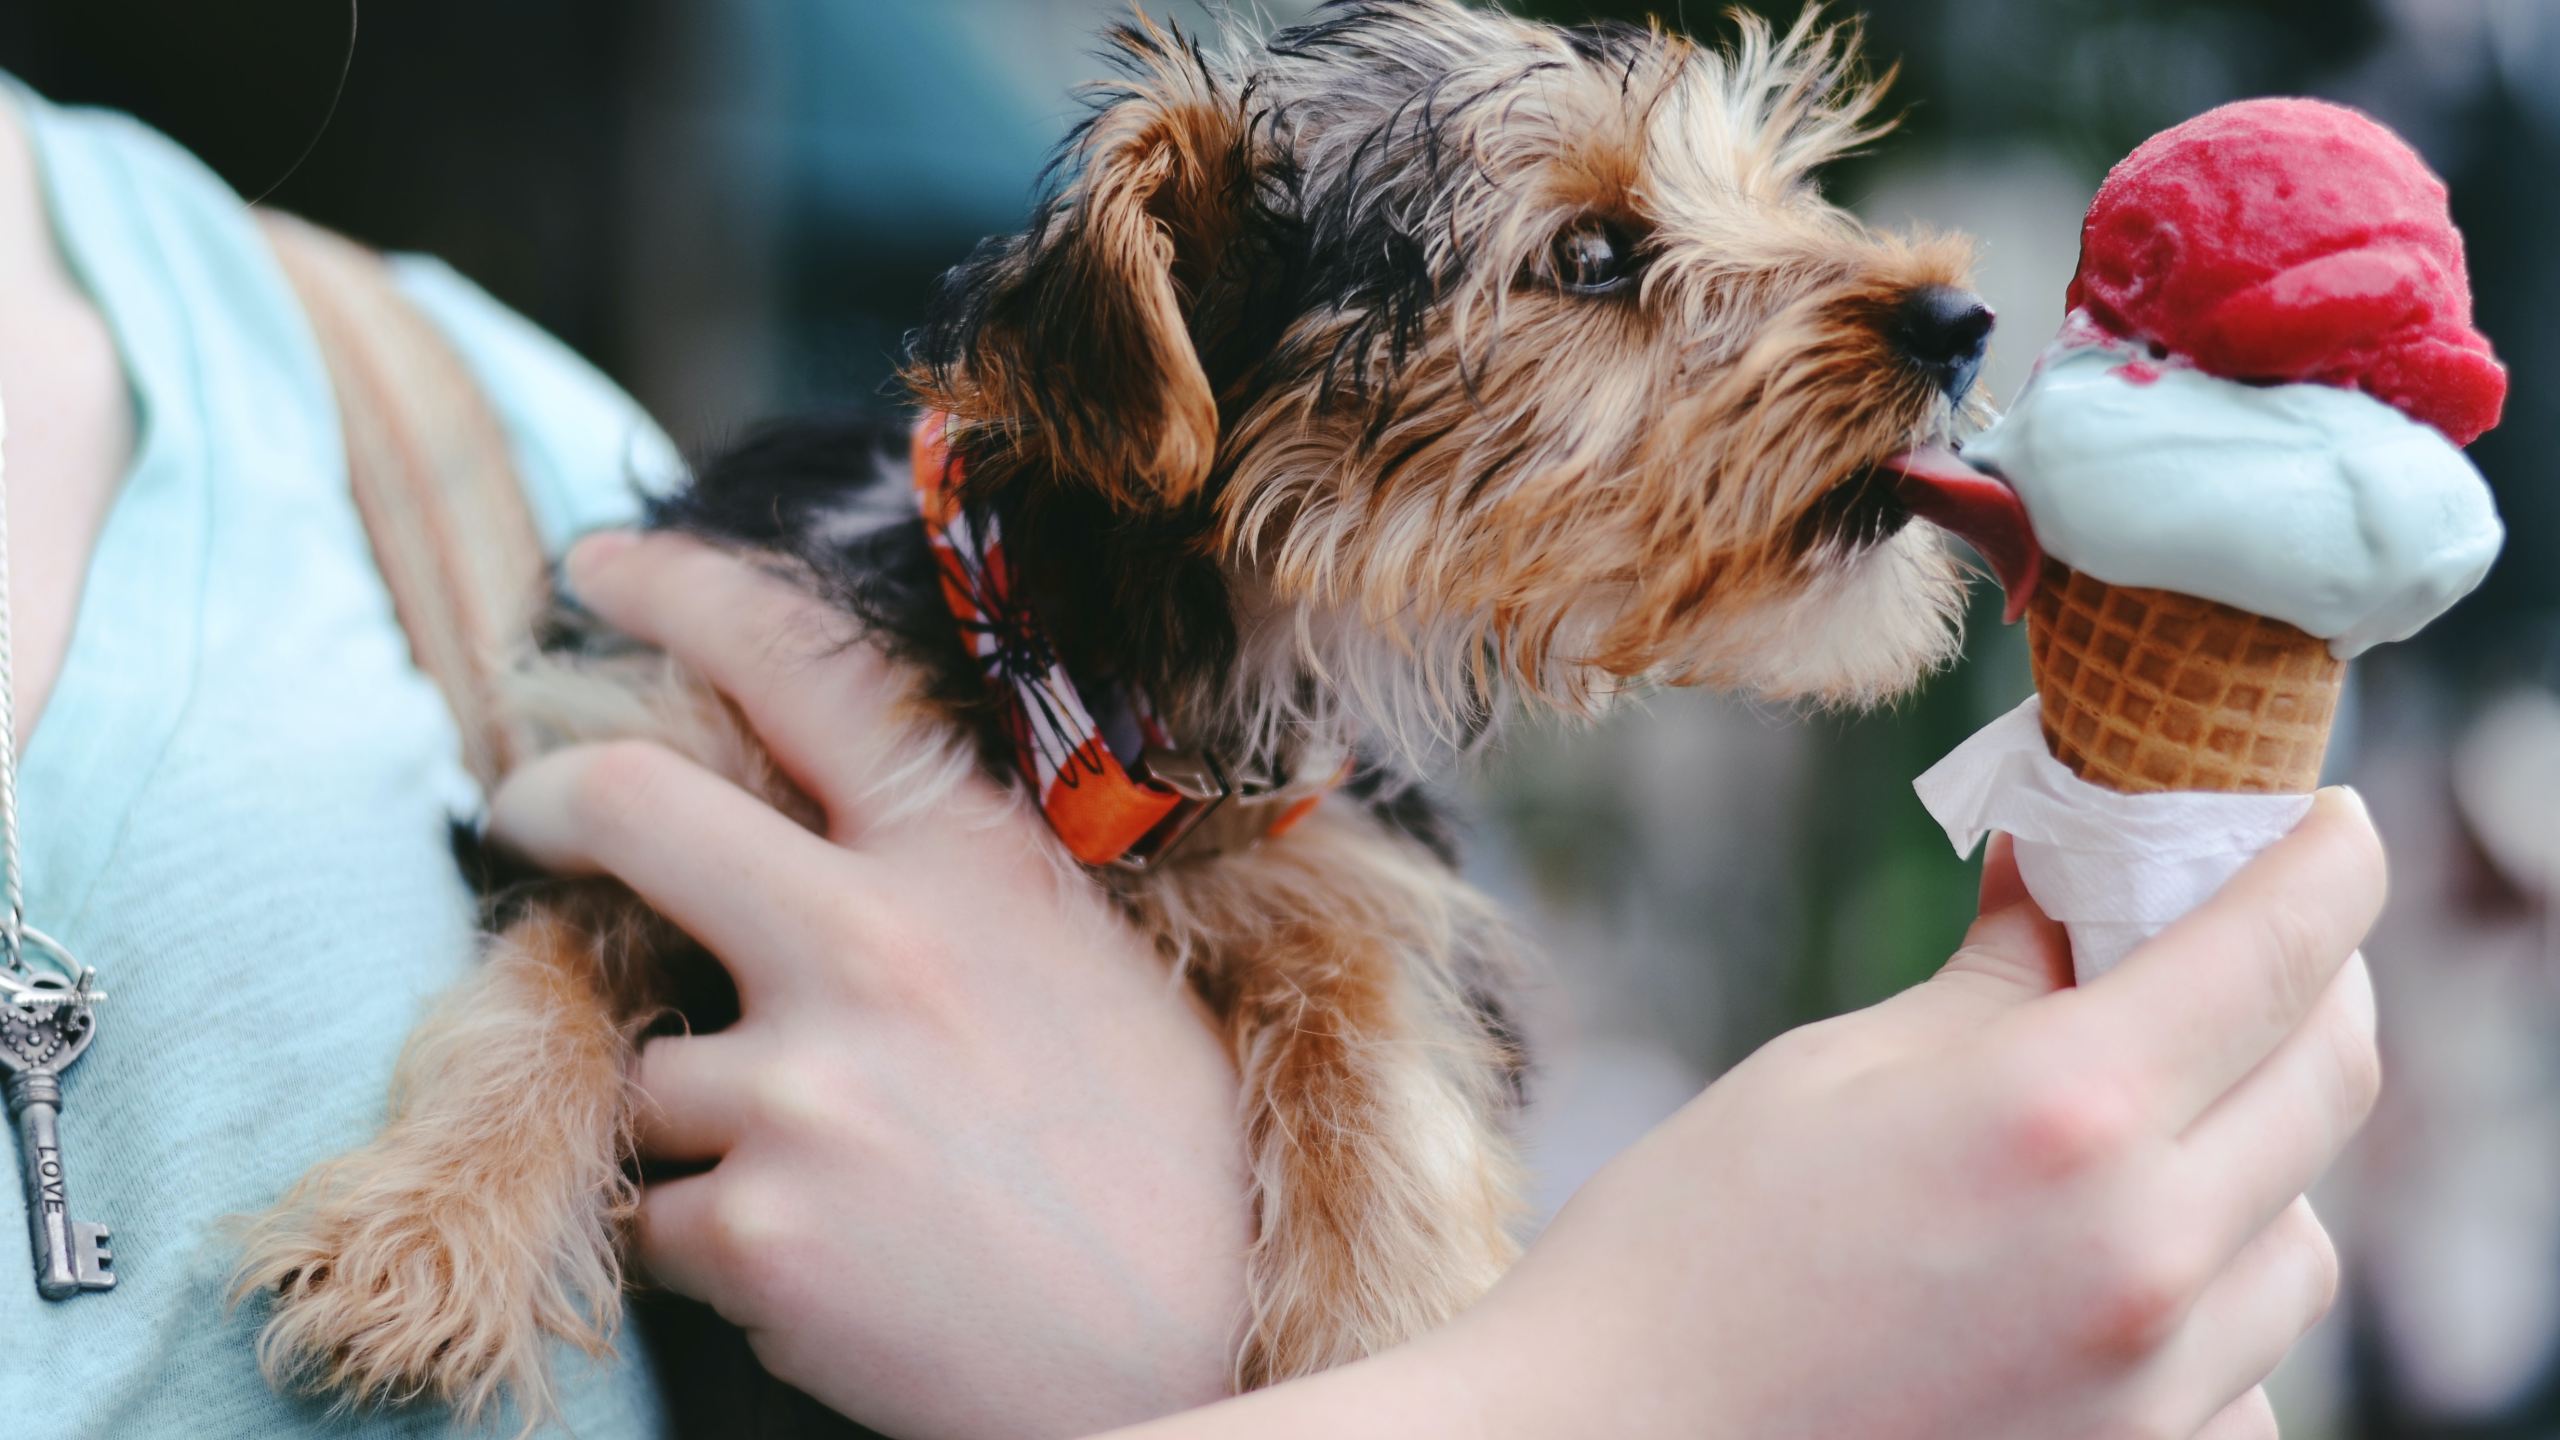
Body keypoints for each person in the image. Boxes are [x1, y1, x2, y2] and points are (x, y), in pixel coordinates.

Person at [1, 73, 2380, 1440]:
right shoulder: (704, 592)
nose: (1913, 300)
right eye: (1594, 262)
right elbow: (580, 920)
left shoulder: (453, 438)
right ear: (1179, 357)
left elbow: (1400, 1257)